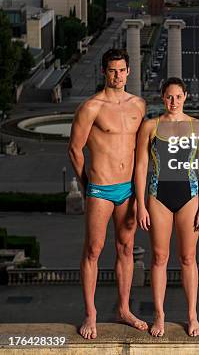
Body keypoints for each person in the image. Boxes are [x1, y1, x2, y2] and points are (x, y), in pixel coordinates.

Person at [68, 48, 147, 340]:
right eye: (112, 70)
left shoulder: (138, 104)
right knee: (93, 251)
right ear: (104, 72)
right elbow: (75, 149)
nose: (118, 75)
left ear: (129, 71)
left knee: (126, 249)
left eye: (122, 70)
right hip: (100, 189)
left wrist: (140, 191)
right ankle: (91, 313)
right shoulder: (92, 107)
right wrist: (88, 182)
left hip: (128, 190)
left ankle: (123, 309)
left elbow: (142, 153)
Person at [135, 77, 199, 338]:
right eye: (169, 97)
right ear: (162, 97)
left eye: (178, 97)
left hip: (189, 197)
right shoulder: (150, 127)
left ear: (186, 97)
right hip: (158, 196)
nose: (174, 102)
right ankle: (160, 315)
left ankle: (192, 315)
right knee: (159, 258)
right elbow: (141, 167)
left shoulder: (198, 127)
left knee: (188, 258)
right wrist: (140, 204)